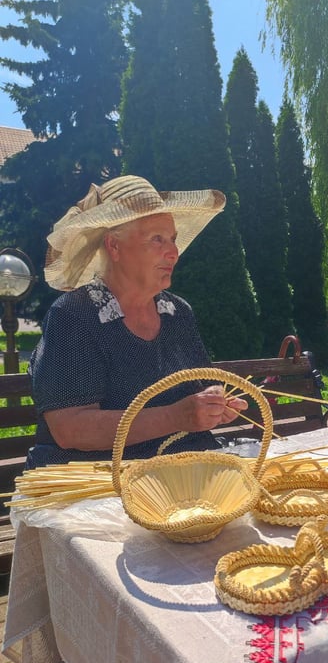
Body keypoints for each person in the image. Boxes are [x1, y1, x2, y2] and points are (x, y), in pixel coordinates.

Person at [26, 175, 248, 469]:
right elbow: (70, 429)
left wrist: (216, 403)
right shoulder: (74, 315)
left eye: (173, 239)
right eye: (157, 239)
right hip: (98, 480)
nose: (173, 253)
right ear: (114, 246)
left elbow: (201, 387)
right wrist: (175, 416)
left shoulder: (177, 312)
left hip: (179, 470)